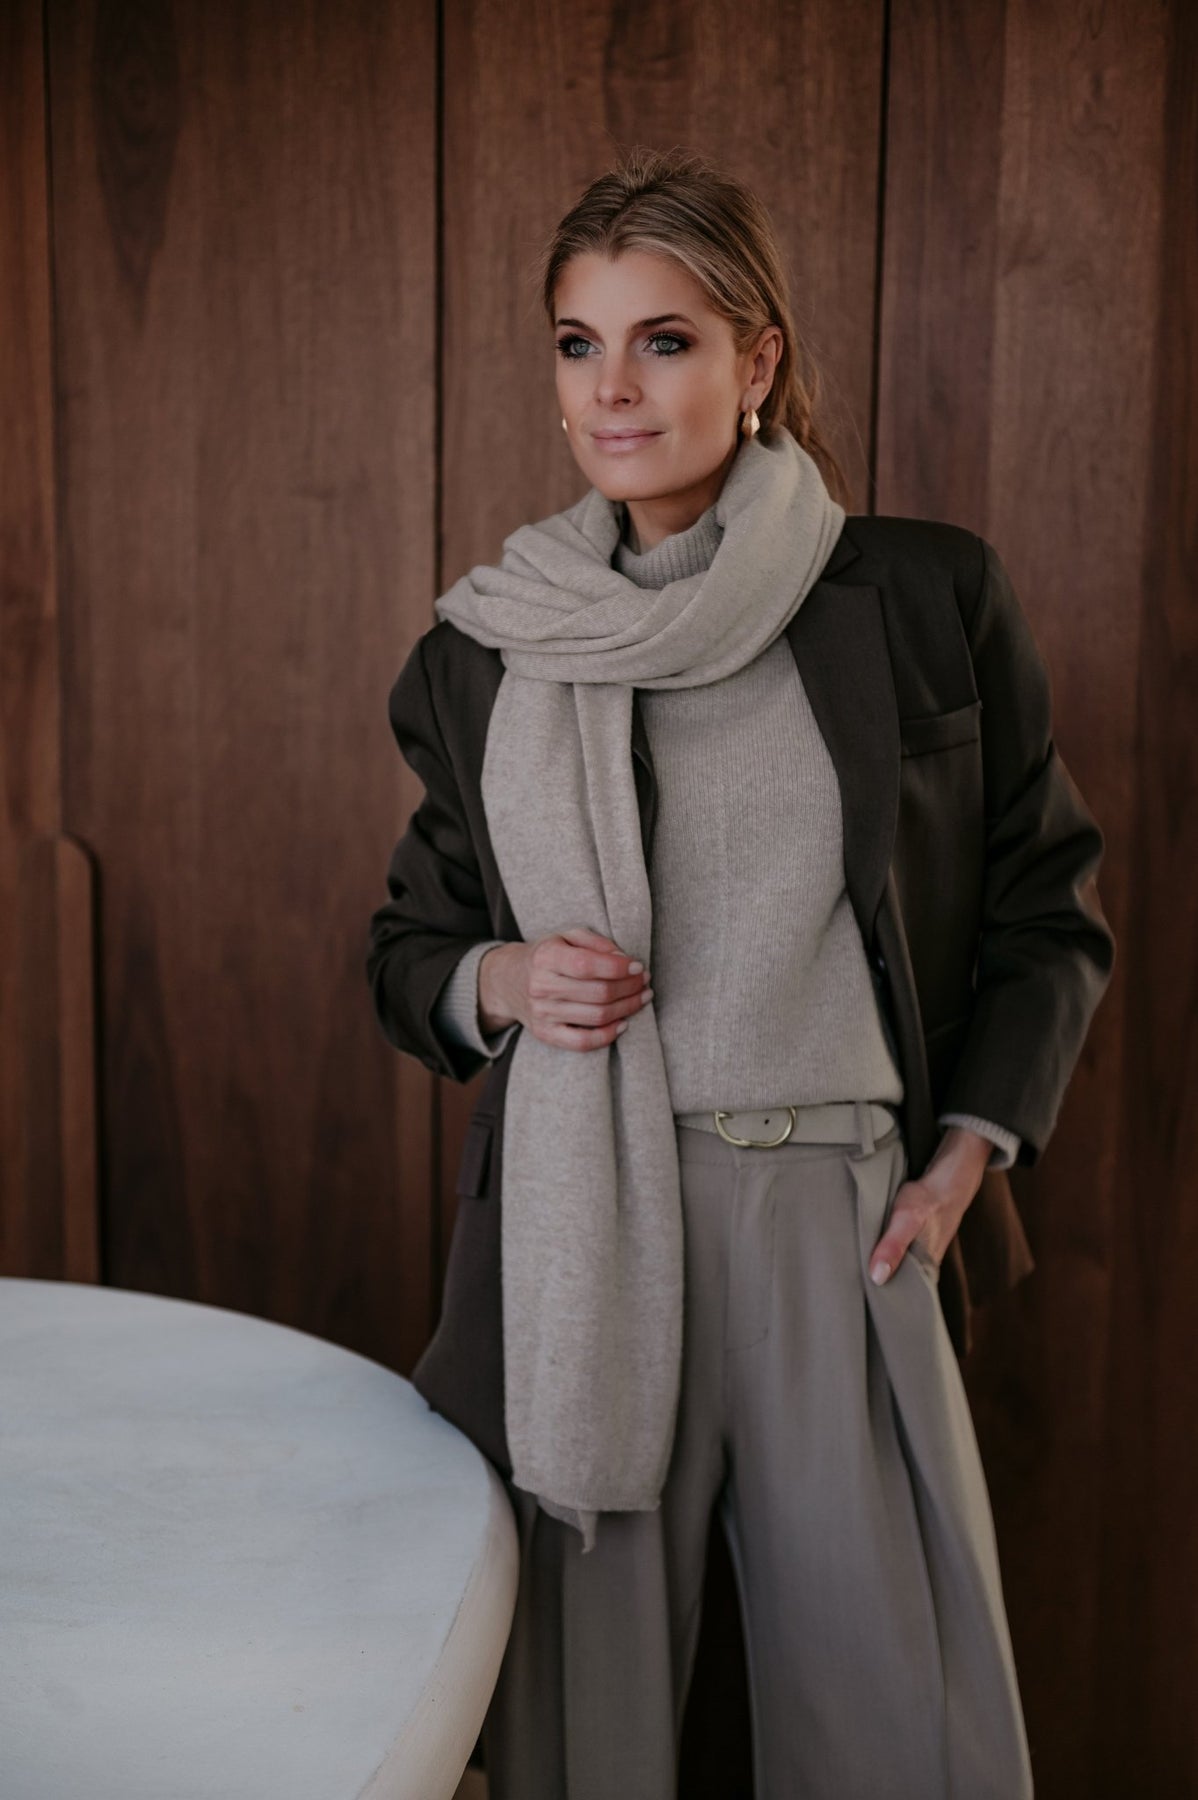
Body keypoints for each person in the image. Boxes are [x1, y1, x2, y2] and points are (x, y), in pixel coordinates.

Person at [366, 146, 1115, 1799]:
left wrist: (965, 1157)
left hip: (842, 1214)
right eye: (579, 343)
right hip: (587, 1221)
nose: (612, 388)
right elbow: (408, 950)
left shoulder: (919, 598)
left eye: (665, 340)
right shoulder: (488, 648)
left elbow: (1045, 904)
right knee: (582, 1723)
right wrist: (504, 981)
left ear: (756, 358)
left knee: (895, 1716)